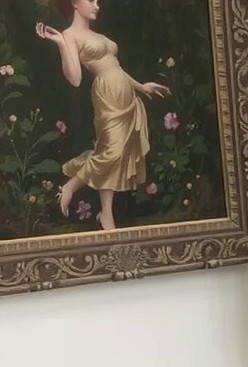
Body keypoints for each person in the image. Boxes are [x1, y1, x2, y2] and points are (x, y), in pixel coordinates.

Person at [36, 0, 170, 230]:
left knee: (114, 154)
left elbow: (115, 67)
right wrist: (59, 43)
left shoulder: (97, 35)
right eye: (91, 0)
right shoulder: (69, 35)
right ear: (75, 4)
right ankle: (69, 187)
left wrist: (141, 86)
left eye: (98, 1)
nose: (97, 5)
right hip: (107, 95)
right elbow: (75, 79)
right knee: (110, 152)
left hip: (126, 94)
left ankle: (106, 215)